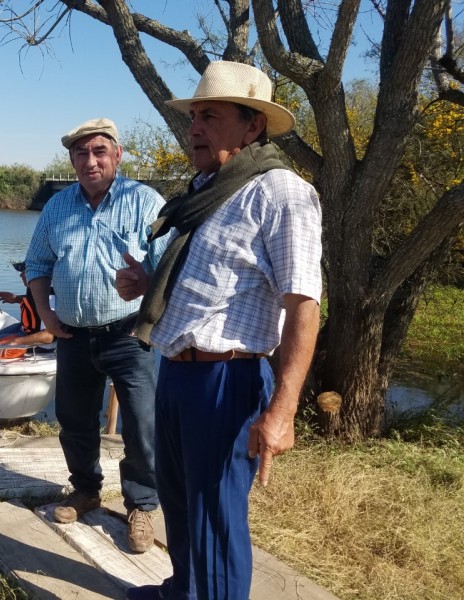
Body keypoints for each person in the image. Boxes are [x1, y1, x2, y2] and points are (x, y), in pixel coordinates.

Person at [116, 62, 322, 599]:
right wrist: (147, 283)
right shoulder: (207, 190)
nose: (194, 129)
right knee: (178, 502)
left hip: (227, 381)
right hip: (179, 373)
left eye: (210, 116)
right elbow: (209, 282)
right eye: (193, 118)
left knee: (216, 520)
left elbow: (303, 303)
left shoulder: (281, 192)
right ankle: (181, 589)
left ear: (253, 126)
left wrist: (283, 410)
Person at [24, 117, 170, 553]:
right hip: (72, 335)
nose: (90, 161)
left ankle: (141, 505)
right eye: (81, 153)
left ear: (117, 155)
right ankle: (86, 490)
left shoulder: (144, 202)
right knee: (73, 420)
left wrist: (145, 279)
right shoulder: (57, 207)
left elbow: (169, 267)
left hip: (129, 334)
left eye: (99, 151)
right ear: (71, 160)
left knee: (142, 425)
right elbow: (37, 265)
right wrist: (47, 317)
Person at [0, 261, 56, 350]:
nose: (20, 275)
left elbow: (48, 336)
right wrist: (16, 299)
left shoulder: (49, 296)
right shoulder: (37, 287)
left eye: (24, 272)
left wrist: (16, 341)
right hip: (27, 328)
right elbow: (35, 301)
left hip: (40, 345)